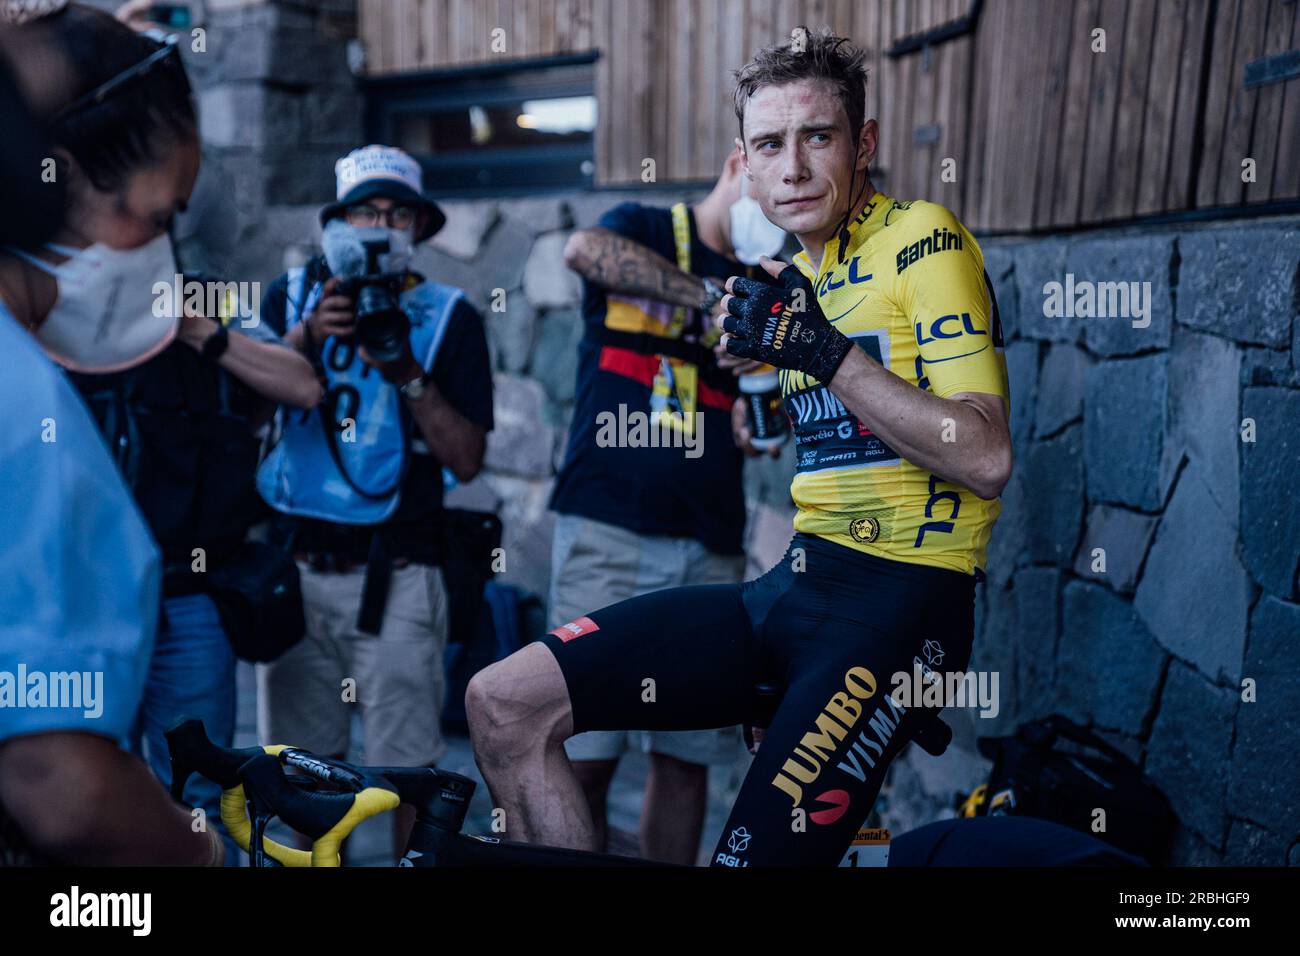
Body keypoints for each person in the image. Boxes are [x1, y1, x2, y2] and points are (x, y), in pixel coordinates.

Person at [467, 28, 1012, 867]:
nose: (792, 166)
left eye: (818, 137)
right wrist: (765, 384)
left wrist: (820, 351)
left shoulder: (923, 239)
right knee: (503, 703)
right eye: (769, 145)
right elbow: (819, 439)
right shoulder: (798, 281)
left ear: (863, 143)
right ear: (744, 167)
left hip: (905, 606)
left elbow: (983, 456)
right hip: (797, 585)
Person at [0, 0, 221, 865]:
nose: (158, 255)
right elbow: (61, 784)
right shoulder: (23, 408)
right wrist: (193, 852)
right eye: (160, 215)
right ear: (51, 178)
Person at [256, 144, 494, 861]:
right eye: (364, 211)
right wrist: (303, 339)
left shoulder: (449, 315)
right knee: (296, 774)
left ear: (418, 228)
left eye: (395, 213)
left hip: (399, 573)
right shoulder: (290, 296)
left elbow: (466, 459)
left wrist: (409, 373)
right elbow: (245, 413)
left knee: (405, 777)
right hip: (296, 573)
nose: (378, 227)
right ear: (336, 223)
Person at [549, 148, 784, 863]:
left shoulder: (769, 282)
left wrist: (760, 420)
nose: (776, 212)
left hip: (709, 543)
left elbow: (756, 419)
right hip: (605, 527)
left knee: (686, 759)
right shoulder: (646, 226)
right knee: (583, 754)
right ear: (738, 161)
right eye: (767, 186)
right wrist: (712, 300)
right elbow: (582, 248)